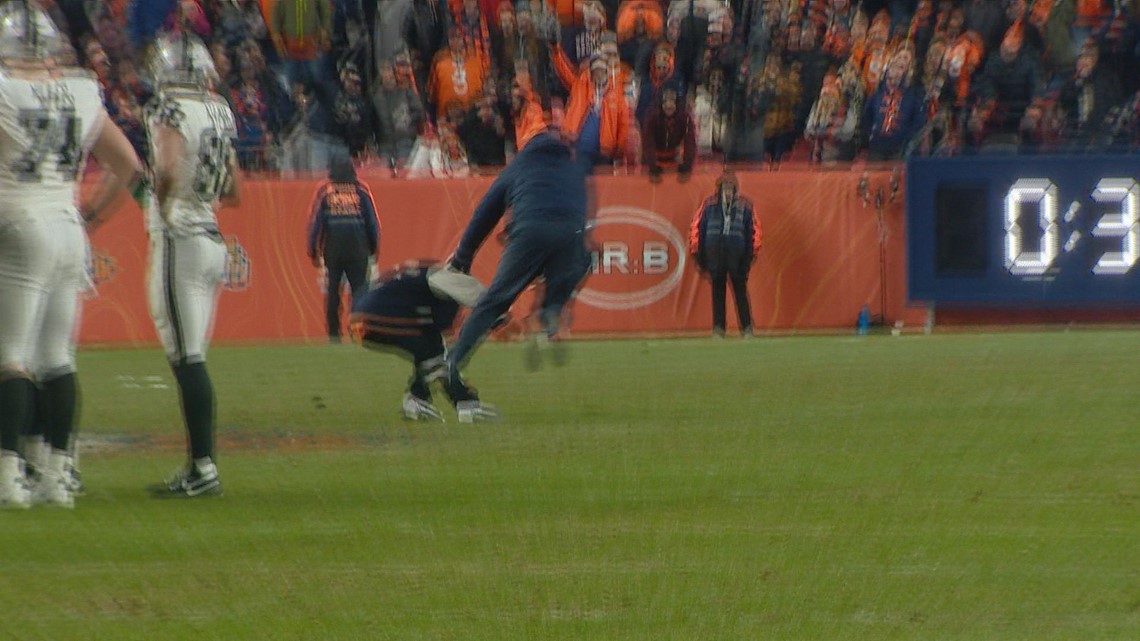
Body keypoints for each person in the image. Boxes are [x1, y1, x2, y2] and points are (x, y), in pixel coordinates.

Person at [0, 2, 145, 508]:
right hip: (67, 229)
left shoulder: (4, 89)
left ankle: (8, 477)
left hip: (19, 223)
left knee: (10, 357)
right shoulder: (81, 90)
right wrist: (89, 218)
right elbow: (128, 165)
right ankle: (57, 477)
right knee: (56, 358)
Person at [142, 33, 242, 498]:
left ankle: (203, 468)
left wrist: (162, 207)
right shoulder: (219, 107)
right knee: (191, 357)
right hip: (211, 236)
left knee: (187, 359)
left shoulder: (168, 108)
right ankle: (199, 466)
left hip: (180, 238)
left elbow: (167, 167)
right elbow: (236, 188)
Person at [443, 127, 591, 420]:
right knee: (584, 259)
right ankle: (551, 309)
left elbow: (485, 213)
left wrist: (462, 258)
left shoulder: (520, 165)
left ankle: (453, 362)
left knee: (494, 301)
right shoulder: (573, 168)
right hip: (571, 234)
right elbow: (579, 210)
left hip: (529, 231)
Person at [350, 259, 494, 422]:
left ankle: (416, 400)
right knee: (434, 357)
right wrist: (498, 315)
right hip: (374, 318)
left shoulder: (419, 276)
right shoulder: (444, 278)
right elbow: (480, 300)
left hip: (360, 317)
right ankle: (466, 404)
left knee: (430, 351)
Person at [307, 158, 381, 342]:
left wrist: (313, 250)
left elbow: (315, 223)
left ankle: (334, 333)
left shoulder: (326, 191)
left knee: (333, 290)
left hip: (333, 248)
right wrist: (374, 248)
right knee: (359, 290)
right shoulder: (361, 190)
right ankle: (357, 332)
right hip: (358, 247)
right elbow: (373, 223)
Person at [689, 171, 763, 338]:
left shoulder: (746, 206)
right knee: (718, 294)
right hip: (715, 256)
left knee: (741, 294)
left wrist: (749, 257)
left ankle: (747, 328)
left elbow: (755, 232)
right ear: (720, 189)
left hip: (738, 258)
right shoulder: (708, 205)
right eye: (725, 188)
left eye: (731, 189)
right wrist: (699, 255)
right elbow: (697, 229)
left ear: (735, 190)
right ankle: (718, 328)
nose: (728, 192)